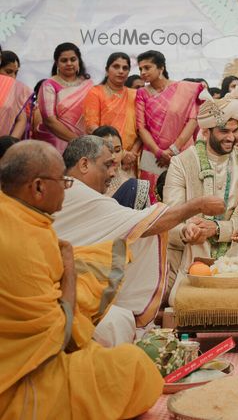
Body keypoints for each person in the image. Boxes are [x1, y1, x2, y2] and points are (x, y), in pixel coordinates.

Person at [0, 140, 163, 417]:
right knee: (133, 366)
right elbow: (59, 335)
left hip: (24, 359)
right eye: (62, 183)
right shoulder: (22, 240)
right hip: (22, 380)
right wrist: (71, 271)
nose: (66, 191)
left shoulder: (22, 220)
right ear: (38, 187)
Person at [53, 135, 224, 346]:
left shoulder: (65, 189)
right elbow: (146, 223)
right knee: (117, 321)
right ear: (84, 164)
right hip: (59, 294)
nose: (113, 173)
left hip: (64, 289)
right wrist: (197, 205)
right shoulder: (77, 193)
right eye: (107, 165)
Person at [163, 89, 238, 302]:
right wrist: (186, 231)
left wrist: (220, 229)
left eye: (234, 131)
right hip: (195, 250)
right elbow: (170, 218)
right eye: (223, 131)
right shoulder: (181, 164)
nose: (231, 138)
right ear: (205, 132)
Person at [134, 50, 202, 196]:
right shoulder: (142, 93)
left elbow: (192, 120)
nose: (143, 72)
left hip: (182, 151)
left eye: (147, 67)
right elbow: (141, 127)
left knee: (185, 196)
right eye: (140, 69)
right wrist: (158, 152)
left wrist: (173, 151)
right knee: (151, 197)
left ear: (161, 68)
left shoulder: (184, 89)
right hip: (153, 155)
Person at [83, 52, 140, 177]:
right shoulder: (95, 92)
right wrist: (120, 153)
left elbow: (141, 129)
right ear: (107, 70)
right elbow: (92, 127)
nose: (121, 71)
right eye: (116, 66)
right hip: (104, 157)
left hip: (130, 161)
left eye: (125, 68)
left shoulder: (135, 95)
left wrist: (131, 155)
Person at [35, 42, 93, 151]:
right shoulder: (48, 85)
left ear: (79, 61)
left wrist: (86, 141)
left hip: (86, 140)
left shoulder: (88, 84)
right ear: (57, 63)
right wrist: (78, 140)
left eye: (73, 59)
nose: (69, 63)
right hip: (57, 141)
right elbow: (49, 121)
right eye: (64, 60)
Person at [91, 124, 141, 200]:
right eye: (108, 151)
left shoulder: (132, 186)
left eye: (117, 150)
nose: (113, 156)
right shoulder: (87, 185)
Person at [0, 49, 30, 138]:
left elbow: (21, 120)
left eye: (15, 73)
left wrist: (10, 142)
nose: (13, 76)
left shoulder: (15, 93)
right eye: (8, 72)